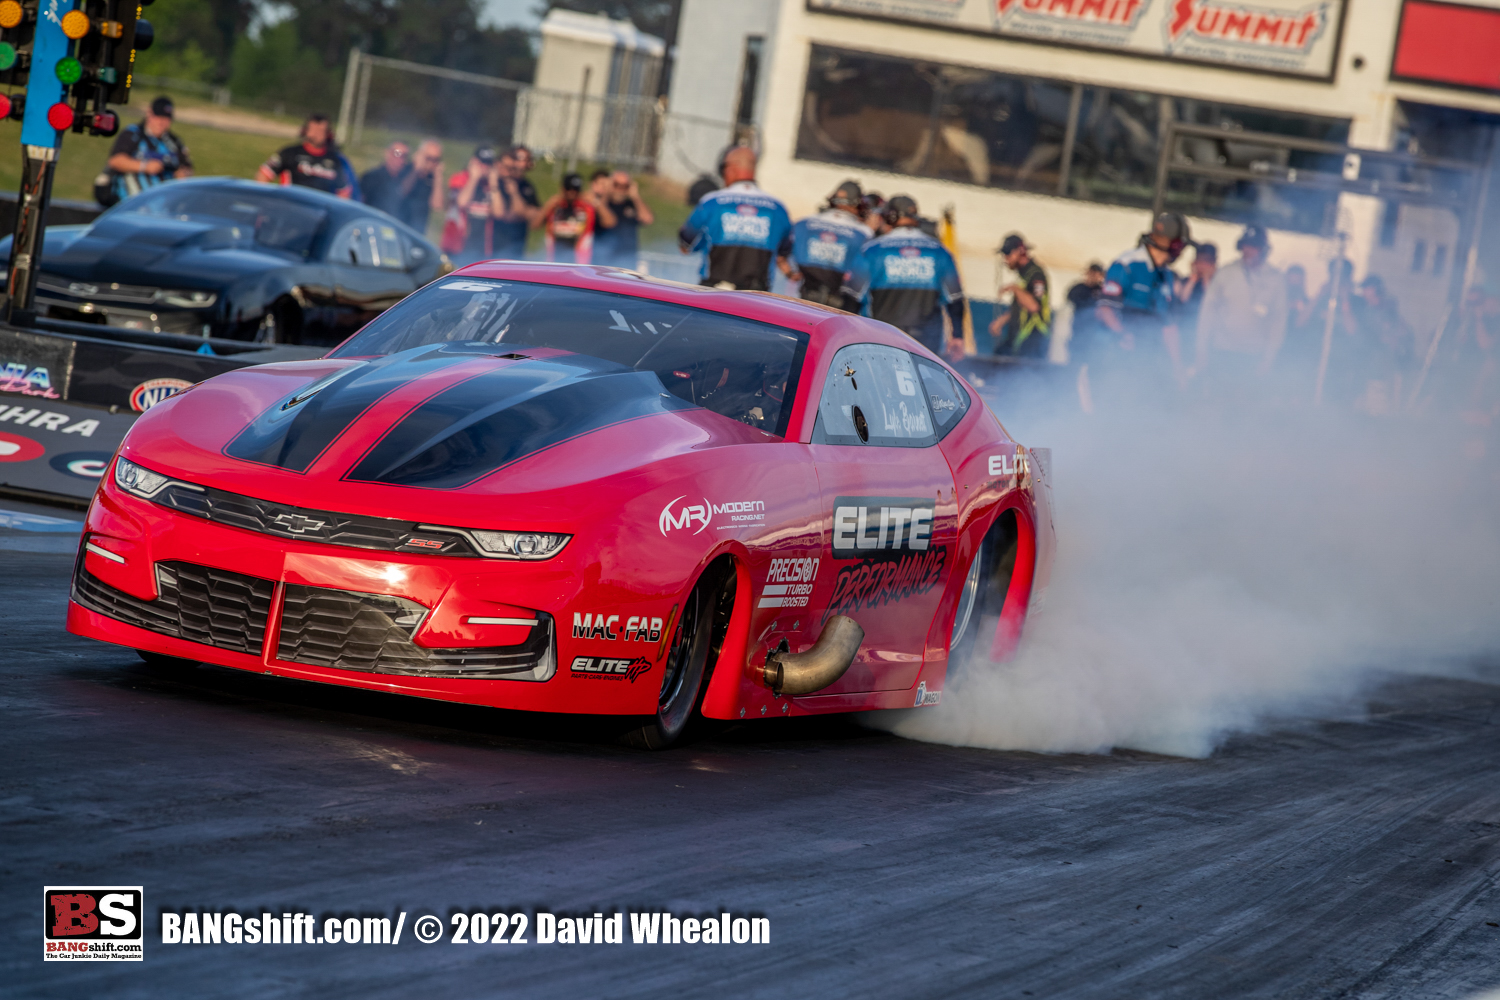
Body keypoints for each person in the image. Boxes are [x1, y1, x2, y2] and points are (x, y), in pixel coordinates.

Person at [843, 194, 966, 357]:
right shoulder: (940, 251)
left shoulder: (872, 250)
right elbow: (955, 298)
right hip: (926, 343)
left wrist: (845, 334)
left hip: (882, 338)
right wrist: (958, 336)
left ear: (890, 217)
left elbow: (852, 297)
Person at [1098, 211, 1193, 389]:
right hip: (1118, 354)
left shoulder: (1167, 275)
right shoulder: (1127, 264)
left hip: (1149, 359)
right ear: (1174, 244)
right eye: (1181, 245)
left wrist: (1177, 366)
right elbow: (1105, 309)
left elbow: (1168, 325)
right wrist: (1122, 334)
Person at [677, 146, 793, 291]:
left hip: (713, 292)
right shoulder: (778, 208)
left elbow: (686, 246)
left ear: (731, 168)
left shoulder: (711, 202)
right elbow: (782, 255)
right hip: (757, 297)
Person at [1192, 226, 1287, 396]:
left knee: (1245, 406)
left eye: (1254, 246)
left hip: (1254, 355)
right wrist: (1202, 350)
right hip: (1222, 351)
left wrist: (1268, 359)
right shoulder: (1226, 273)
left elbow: (1278, 323)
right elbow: (1207, 314)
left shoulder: (1275, 279)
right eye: (1246, 245)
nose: (1248, 250)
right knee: (1217, 400)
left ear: (1263, 249)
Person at [784, 179, 871, 312]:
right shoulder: (864, 232)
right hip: (839, 306)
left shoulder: (805, 222)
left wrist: (790, 273)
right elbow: (861, 276)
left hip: (802, 299)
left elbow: (782, 254)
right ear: (858, 203)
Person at [99, 96, 192, 206]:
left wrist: (181, 175)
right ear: (149, 114)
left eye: (166, 119)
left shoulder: (174, 142)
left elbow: (187, 168)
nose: (162, 123)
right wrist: (145, 166)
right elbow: (115, 161)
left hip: (163, 206)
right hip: (129, 203)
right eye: (158, 117)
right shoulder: (133, 134)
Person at [258, 113, 351, 197]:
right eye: (314, 130)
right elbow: (264, 174)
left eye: (321, 131)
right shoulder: (290, 153)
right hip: (291, 206)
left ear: (327, 134)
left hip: (320, 211)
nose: (317, 134)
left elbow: (343, 191)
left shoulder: (335, 160)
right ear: (306, 131)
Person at [989, 233, 1051, 358]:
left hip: (1033, 341)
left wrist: (1014, 288)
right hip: (1019, 338)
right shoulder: (1024, 274)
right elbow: (1020, 306)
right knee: (998, 356)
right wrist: (1001, 321)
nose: (1005, 258)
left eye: (1008, 253)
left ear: (1020, 252)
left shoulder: (1037, 274)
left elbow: (1034, 306)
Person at [534, 172, 615, 263]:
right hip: (554, 260)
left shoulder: (587, 207)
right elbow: (535, 225)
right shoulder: (555, 206)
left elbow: (610, 222)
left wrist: (595, 202)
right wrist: (547, 206)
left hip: (578, 263)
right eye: (569, 188)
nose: (572, 192)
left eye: (576, 189)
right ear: (563, 189)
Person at [594, 170, 654, 269]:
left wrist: (635, 196)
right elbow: (608, 222)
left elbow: (647, 219)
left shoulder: (632, 205)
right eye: (616, 185)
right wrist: (606, 193)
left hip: (627, 265)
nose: (620, 189)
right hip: (603, 264)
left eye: (625, 186)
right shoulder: (601, 204)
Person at [490, 145, 540, 260]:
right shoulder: (497, 184)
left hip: (516, 249)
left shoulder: (525, 185)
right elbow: (502, 214)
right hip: (494, 249)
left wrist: (515, 194)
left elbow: (534, 215)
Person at [1175, 242, 1216, 345]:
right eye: (1199, 260)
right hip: (1185, 329)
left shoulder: (1218, 284)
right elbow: (1183, 299)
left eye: (1206, 261)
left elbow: (1212, 302)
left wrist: (1207, 279)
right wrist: (1193, 278)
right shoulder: (1186, 281)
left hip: (1208, 333)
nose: (1202, 265)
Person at [1065, 263, 1106, 364]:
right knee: (1075, 362)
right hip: (1078, 332)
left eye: (1097, 274)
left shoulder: (1102, 290)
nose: (1094, 276)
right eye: (1092, 273)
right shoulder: (1078, 288)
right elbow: (1070, 300)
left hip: (1095, 334)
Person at [359, 141, 411, 219]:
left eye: (404, 156)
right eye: (397, 153)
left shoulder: (405, 182)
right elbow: (359, 203)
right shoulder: (371, 177)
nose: (400, 160)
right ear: (388, 153)